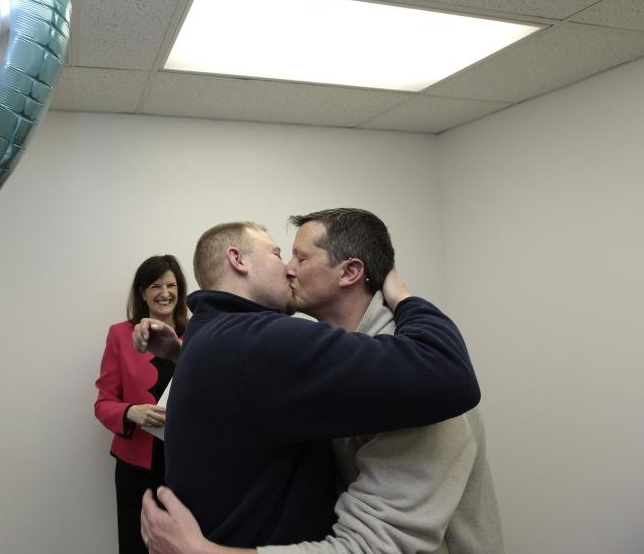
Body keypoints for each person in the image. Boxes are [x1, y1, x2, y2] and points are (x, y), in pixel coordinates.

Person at [138, 211, 504, 554]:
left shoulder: (421, 388)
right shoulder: (305, 352)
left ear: (348, 272)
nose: (288, 269)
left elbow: (372, 548)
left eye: (300, 258)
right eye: (283, 255)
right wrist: (186, 356)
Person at [95, 254, 190, 554]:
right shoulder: (120, 335)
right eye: (155, 285)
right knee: (136, 545)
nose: (165, 293)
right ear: (142, 293)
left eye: (171, 285)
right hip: (137, 467)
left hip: (191, 463)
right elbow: (103, 402)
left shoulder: (199, 332)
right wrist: (130, 412)